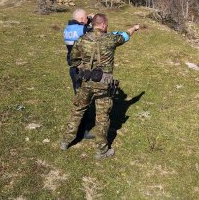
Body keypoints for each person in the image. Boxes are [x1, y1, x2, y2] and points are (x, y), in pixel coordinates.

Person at [60, 13, 140, 159]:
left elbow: (72, 61)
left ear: (93, 24)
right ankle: (101, 151)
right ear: (103, 25)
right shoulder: (111, 39)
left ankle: (65, 141)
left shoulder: (82, 39)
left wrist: (83, 67)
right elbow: (125, 36)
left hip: (85, 83)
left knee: (77, 111)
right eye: (107, 24)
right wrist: (134, 28)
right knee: (102, 117)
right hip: (104, 85)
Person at [63, 8, 93, 92]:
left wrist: (88, 19)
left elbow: (81, 25)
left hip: (72, 64)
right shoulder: (81, 29)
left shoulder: (67, 29)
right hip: (81, 65)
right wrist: (93, 21)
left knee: (76, 88)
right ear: (82, 19)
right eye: (86, 18)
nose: (88, 19)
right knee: (84, 91)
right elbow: (97, 31)